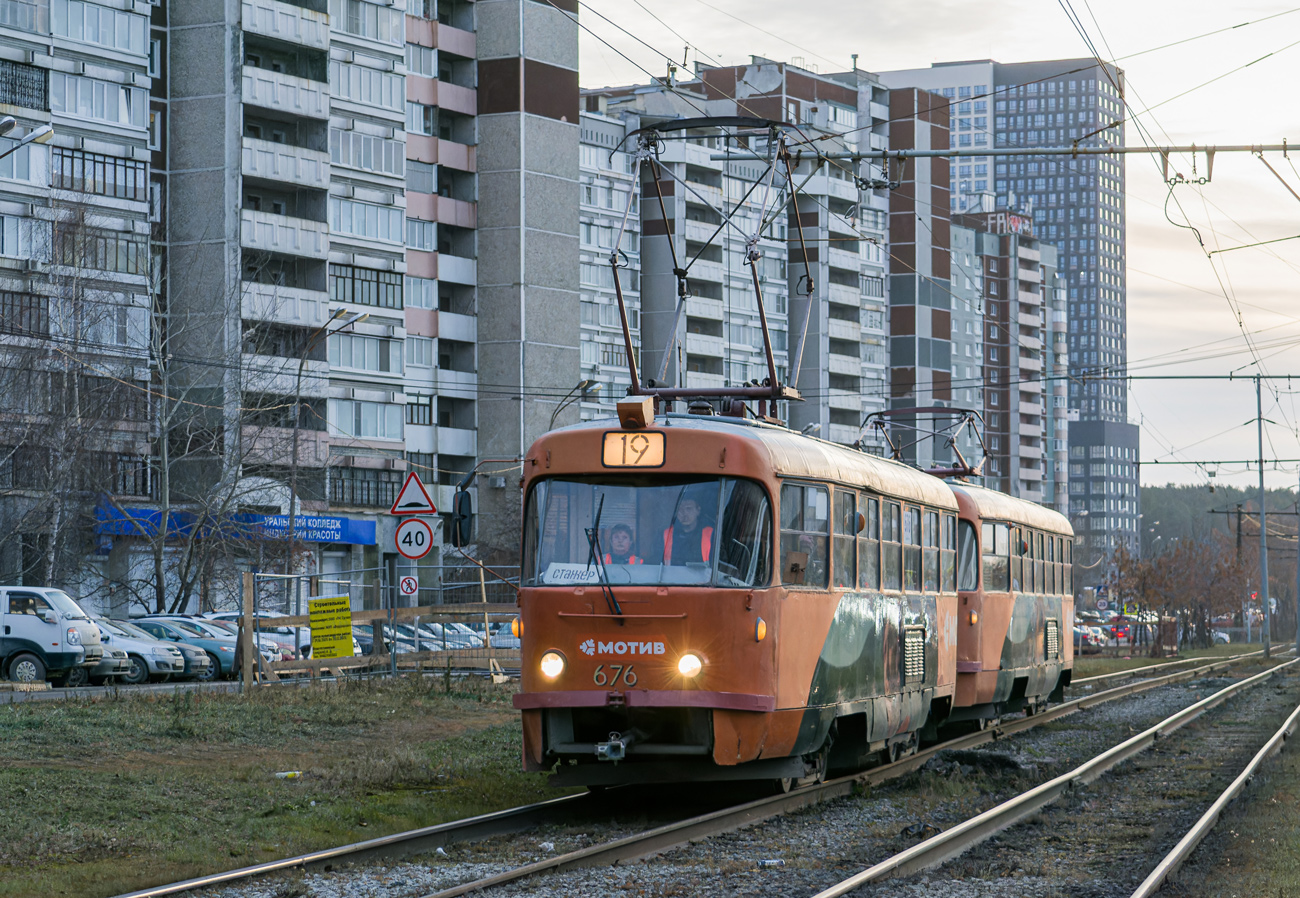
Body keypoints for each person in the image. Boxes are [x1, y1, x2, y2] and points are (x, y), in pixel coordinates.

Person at [663, 493, 713, 565]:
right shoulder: (667, 534)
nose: (684, 513)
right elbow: (655, 562)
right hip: (673, 576)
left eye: (688, 508)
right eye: (680, 509)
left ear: (698, 510)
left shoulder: (711, 534)